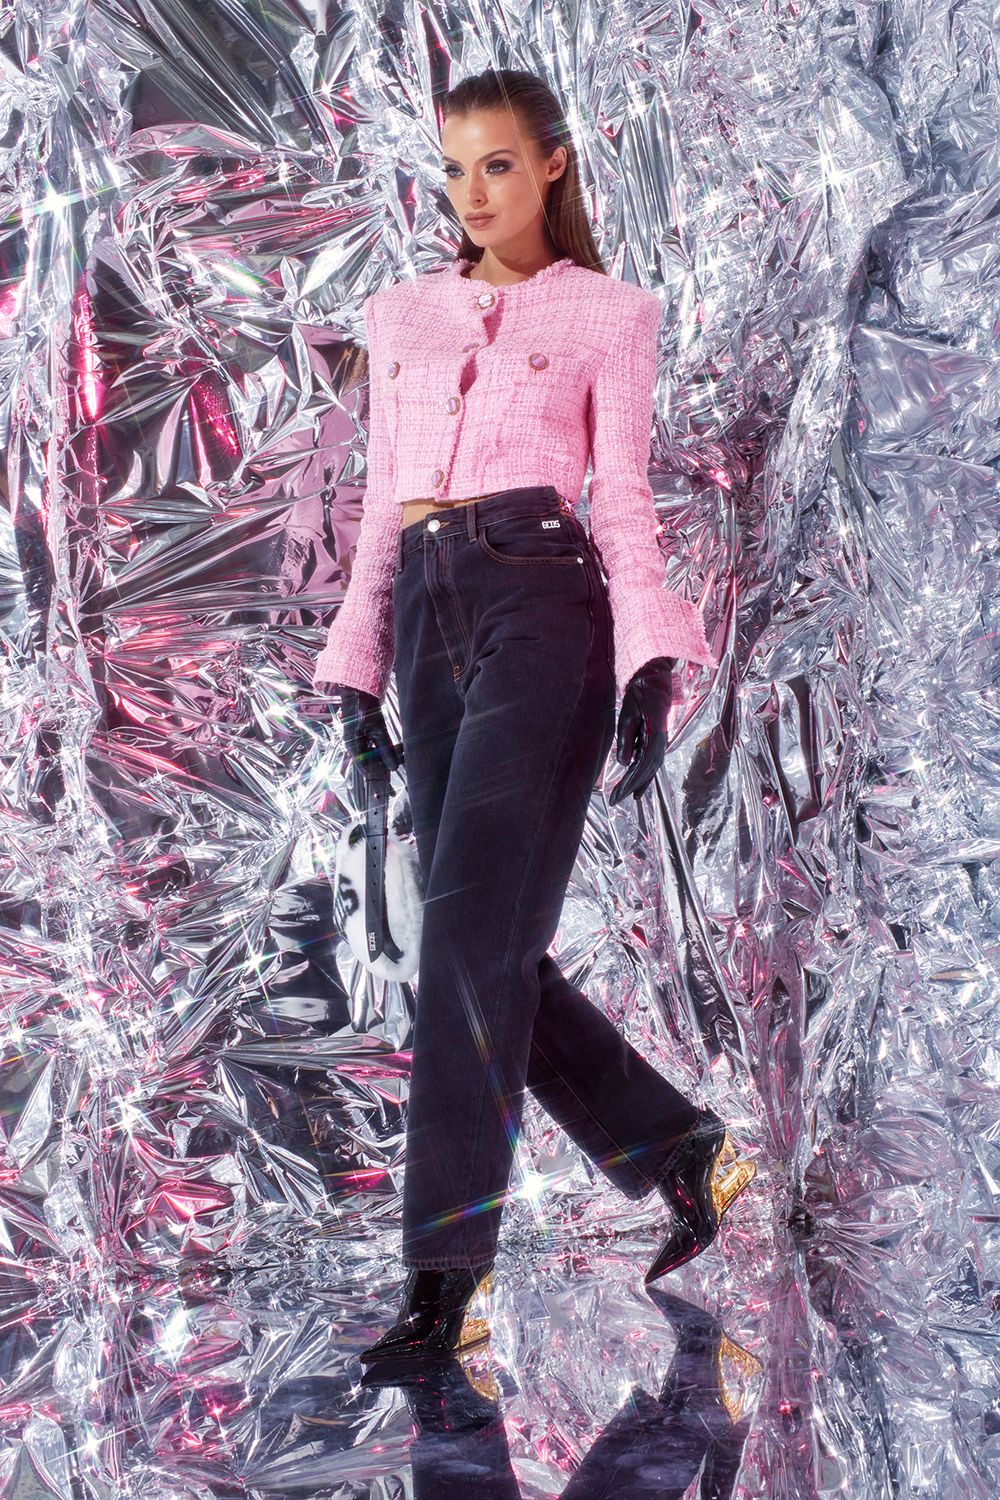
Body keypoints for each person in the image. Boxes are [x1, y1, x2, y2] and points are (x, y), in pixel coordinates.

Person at [313, 68, 754, 1362]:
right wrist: (355, 668)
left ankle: (445, 1287)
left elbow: (624, 498)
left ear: (552, 165)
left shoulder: (611, 314)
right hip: (425, 613)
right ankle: (682, 1151)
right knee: (478, 945)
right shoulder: (402, 313)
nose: (473, 191)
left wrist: (651, 658)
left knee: (466, 944)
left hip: (544, 603)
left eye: (497, 164)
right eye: (455, 168)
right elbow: (381, 510)